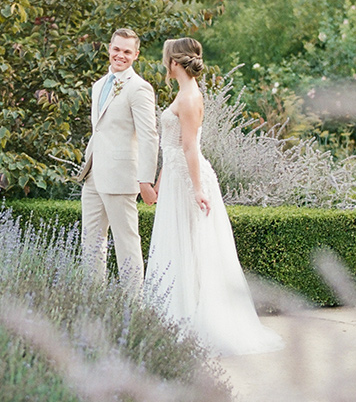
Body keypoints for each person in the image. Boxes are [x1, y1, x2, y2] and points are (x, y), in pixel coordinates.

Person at [146, 38, 283, 355]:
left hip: (189, 180)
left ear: (173, 63)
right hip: (176, 178)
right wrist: (159, 182)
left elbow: (190, 146)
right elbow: (172, 146)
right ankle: (178, 320)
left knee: (195, 249)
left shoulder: (190, 97)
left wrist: (197, 189)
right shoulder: (183, 94)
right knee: (182, 247)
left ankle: (195, 324)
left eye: (166, 59)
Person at [79, 28, 159, 297]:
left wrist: (146, 180)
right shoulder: (98, 85)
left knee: (126, 242)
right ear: (109, 49)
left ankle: (133, 305)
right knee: (91, 241)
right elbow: (99, 130)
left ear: (136, 55)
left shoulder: (139, 88)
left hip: (121, 176)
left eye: (127, 51)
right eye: (117, 49)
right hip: (93, 175)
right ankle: (92, 300)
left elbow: (149, 137)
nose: (120, 55)